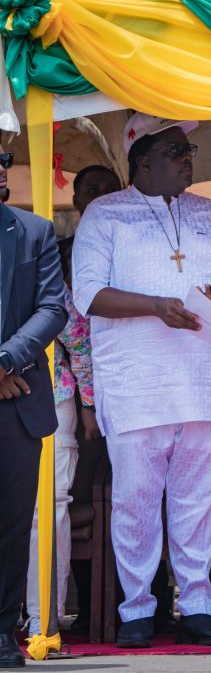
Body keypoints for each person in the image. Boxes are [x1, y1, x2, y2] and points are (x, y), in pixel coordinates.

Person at [73, 113, 211, 649]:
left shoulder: (209, 214)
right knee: (135, 499)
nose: (187, 158)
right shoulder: (105, 215)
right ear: (142, 159)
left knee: (197, 498)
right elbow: (88, 294)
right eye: (176, 149)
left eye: (189, 150)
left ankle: (196, 603)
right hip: (136, 382)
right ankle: (137, 608)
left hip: (201, 377)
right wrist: (157, 307)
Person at [23, 166, 119, 640]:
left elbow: (74, 334)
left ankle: (44, 618)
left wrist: (87, 402)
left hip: (48, 392)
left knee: (50, 506)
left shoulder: (27, 244)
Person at [0, 145, 68, 668]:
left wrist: (4, 361)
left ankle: (4, 632)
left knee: (11, 520)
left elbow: (52, 307)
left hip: (15, 396)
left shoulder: (33, 230)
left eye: (2, 164)